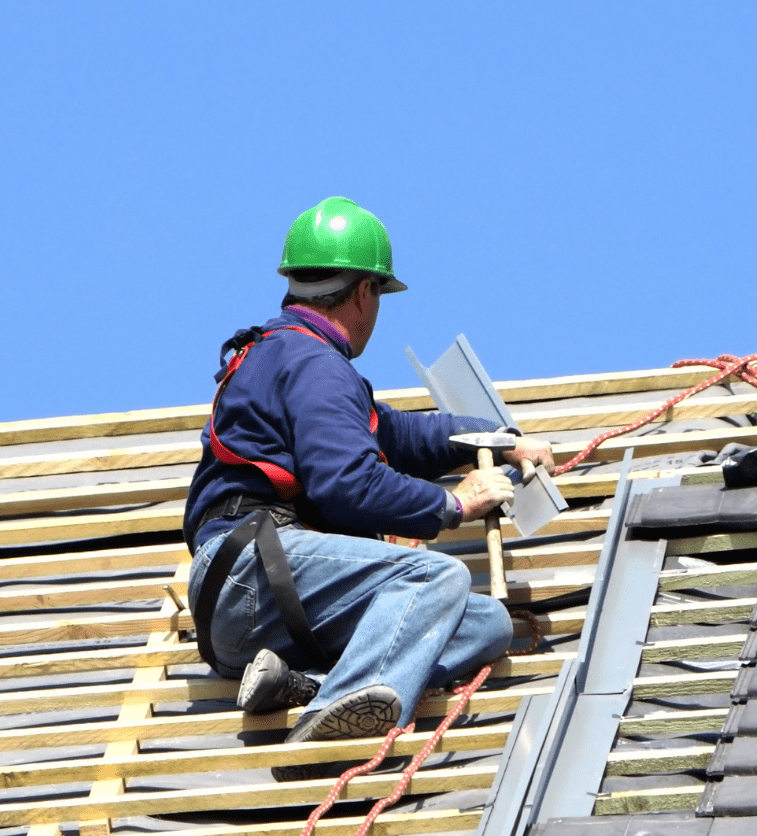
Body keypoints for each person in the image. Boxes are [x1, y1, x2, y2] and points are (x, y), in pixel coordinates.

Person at [183, 197, 554, 767]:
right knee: (437, 578)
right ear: (363, 292)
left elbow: (395, 436)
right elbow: (347, 484)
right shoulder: (313, 364)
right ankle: (333, 722)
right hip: (254, 573)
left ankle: (302, 684)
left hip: (264, 615)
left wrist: (498, 440)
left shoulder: (289, 359)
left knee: (485, 624)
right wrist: (453, 505)